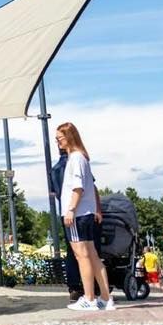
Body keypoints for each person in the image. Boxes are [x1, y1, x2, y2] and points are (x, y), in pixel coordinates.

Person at [56, 122, 113, 311]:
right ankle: (105, 298)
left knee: (82, 256)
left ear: (69, 137)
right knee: (93, 256)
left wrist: (71, 209)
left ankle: (89, 298)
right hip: (86, 213)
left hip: (78, 214)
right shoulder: (82, 158)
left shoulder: (76, 158)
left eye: (60, 138)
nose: (58, 142)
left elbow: (77, 187)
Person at [49, 143, 84, 300]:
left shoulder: (54, 169)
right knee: (85, 250)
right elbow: (88, 186)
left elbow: (54, 193)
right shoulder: (73, 163)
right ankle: (90, 287)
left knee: (71, 249)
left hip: (64, 210)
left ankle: (73, 286)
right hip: (79, 210)